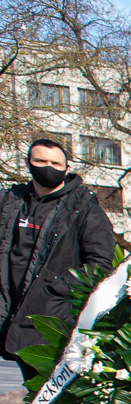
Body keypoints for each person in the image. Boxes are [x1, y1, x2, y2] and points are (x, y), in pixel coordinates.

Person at [0, 138, 115, 380]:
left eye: (55, 163)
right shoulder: (10, 201)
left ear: (67, 168)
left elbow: (101, 265)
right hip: (6, 311)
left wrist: (57, 289)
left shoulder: (84, 207)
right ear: (28, 163)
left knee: (40, 394)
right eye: (41, 161)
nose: (48, 167)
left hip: (47, 321)